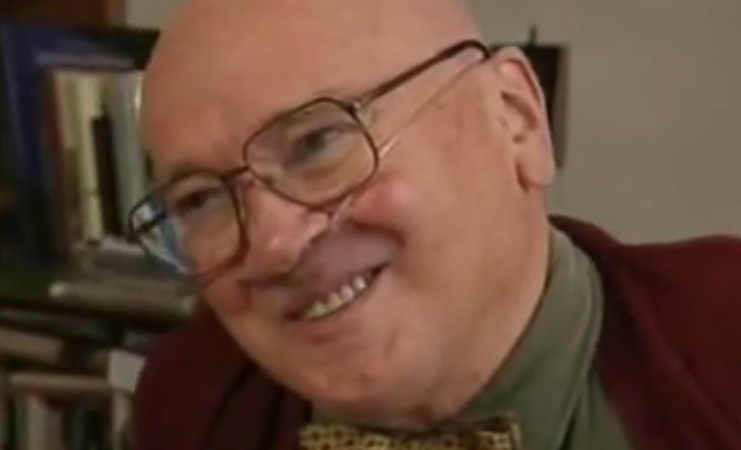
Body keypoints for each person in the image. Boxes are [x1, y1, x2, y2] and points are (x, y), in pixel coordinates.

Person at [129, 0, 741, 449]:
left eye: (318, 143)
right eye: (200, 200)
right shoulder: (187, 404)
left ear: (515, 119)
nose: (272, 246)